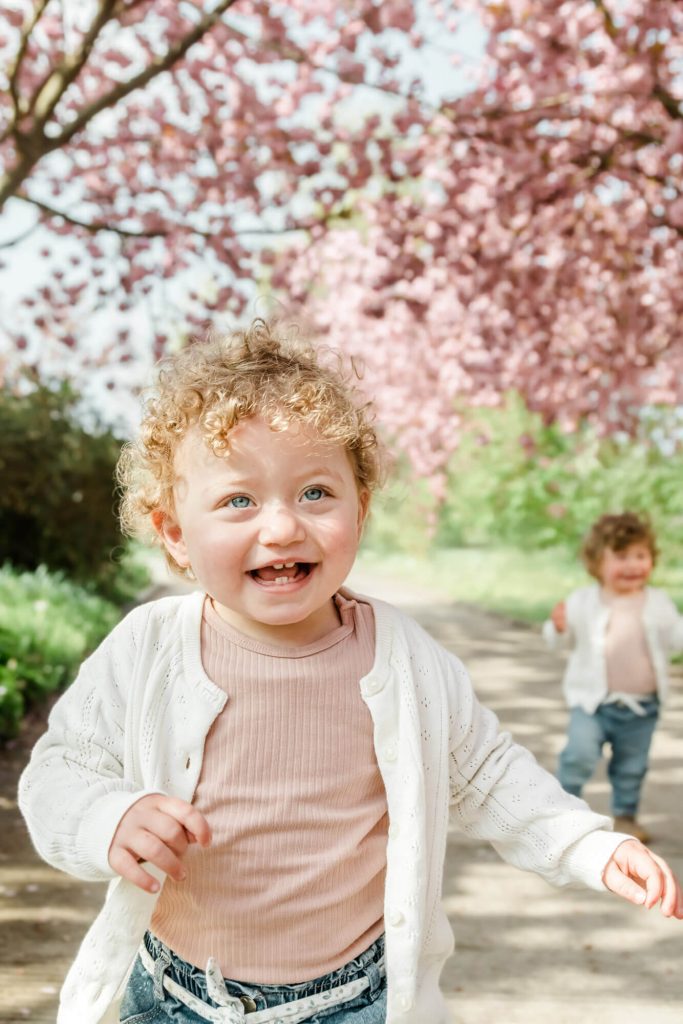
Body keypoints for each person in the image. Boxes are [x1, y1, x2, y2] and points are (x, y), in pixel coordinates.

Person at [19, 323, 682, 1024]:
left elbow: (488, 772)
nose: (280, 528)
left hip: (354, 1001)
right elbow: (60, 771)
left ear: (359, 508)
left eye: (314, 493)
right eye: (238, 501)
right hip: (176, 997)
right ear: (176, 535)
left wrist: (584, 844)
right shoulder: (147, 649)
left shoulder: (401, 658)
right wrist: (106, 816)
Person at [543, 511, 683, 844]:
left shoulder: (658, 602)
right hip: (593, 703)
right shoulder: (582, 601)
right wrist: (558, 627)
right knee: (578, 754)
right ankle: (562, 812)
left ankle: (625, 817)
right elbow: (560, 641)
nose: (634, 565)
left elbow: (677, 636)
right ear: (596, 563)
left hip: (641, 709)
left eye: (641, 555)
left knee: (632, 767)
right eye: (622, 557)